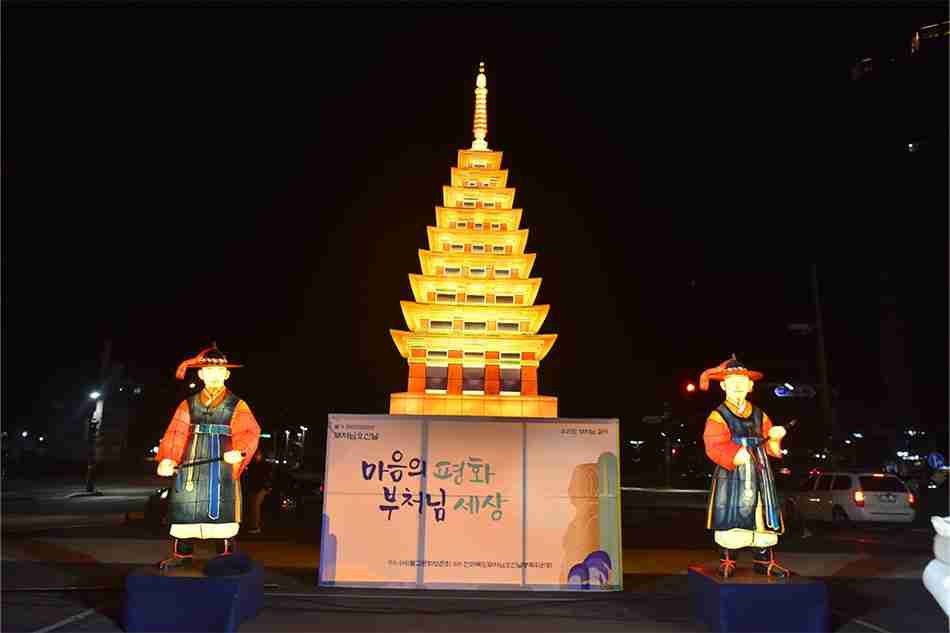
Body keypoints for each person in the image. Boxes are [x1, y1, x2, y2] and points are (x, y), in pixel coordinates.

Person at [155, 345, 261, 571]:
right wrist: (168, 458)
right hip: (191, 461)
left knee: (222, 508)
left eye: (218, 371)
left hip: (222, 462)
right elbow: (176, 432)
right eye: (208, 371)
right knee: (184, 506)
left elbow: (250, 431)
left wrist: (240, 451)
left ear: (226, 374)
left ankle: (225, 556)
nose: (213, 375)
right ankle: (181, 554)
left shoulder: (237, 404)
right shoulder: (188, 404)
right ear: (201, 374)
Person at [700, 355, 789, 578]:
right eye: (733, 382)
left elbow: (769, 443)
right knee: (731, 510)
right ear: (723, 386)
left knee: (762, 509)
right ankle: (728, 559)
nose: (738, 386)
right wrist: (735, 454)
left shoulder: (760, 414)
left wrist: (775, 437)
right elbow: (713, 443)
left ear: (750, 386)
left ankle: (764, 560)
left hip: (759, 469)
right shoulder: (718, 415)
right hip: (734, 471)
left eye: (742, 382)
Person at [243, 450, 273, 534]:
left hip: (260, 488)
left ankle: (255, 526)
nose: (257, 456)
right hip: (254, 488)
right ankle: (252, 525)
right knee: (253, 507)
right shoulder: (252, 465)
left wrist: (267, 487)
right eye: (256, 454)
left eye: (258, 454)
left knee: (255, 507)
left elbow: (266, 477)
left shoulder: (263, 465)